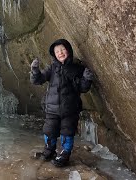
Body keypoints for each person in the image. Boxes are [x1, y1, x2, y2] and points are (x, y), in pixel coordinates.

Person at [30, 39, 93, 167]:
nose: (60, 53)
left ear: (68, 51)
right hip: (52, 109)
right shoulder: (52, 68)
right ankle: (49, 151)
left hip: (70, 109)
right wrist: (35, 70)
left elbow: (82, 88)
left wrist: (86, 79)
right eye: (57, 51)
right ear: (54, 54)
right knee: (49, 130)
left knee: (67, 132)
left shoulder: (76, 69)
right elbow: (38, 80)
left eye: (63, 50)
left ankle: (64, 155)